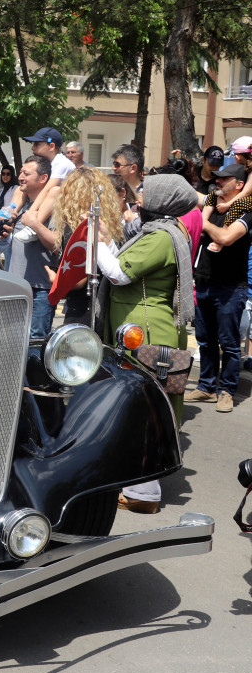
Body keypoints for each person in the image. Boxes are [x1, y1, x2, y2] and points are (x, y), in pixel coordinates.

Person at [95, 174, 196, 512]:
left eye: (144, 194)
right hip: (143, 328)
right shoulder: (158, 232)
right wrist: (106, 240)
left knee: (145, 411)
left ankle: (144, 495)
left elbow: (119, 273)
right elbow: (123, 262)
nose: (138, 199)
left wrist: (94, 242)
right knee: (141, 409)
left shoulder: (160, 237)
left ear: (160, 201)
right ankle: (138, 486)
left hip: (148, 332)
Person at [185, 163, 252, 414]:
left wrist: (202, 223)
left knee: (230, 343)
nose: (219, 182)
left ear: (239, 185)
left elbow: (225, 238)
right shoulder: (213, 203)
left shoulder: (247, 210)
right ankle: (206, 387)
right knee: (205, 340)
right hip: (204, 282)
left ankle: (226, 391)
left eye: (225, 179)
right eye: (218, 179)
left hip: (230, 288)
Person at [47, 167, 123, 326]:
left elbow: (78, 280)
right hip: (108, 307)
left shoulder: (78, 229)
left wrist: (56, 280)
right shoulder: (109, 225)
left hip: (82, 309)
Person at [2, 155, 56, 338]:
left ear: (43, 179)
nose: (20, 176)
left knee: (36, 343)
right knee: (12, 340)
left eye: (27, 173)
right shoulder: (20, 205)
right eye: (21, 172)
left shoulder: (53, 207)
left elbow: (56, 245)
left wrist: (35, 225)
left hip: (41, 290)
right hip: (16, 287)